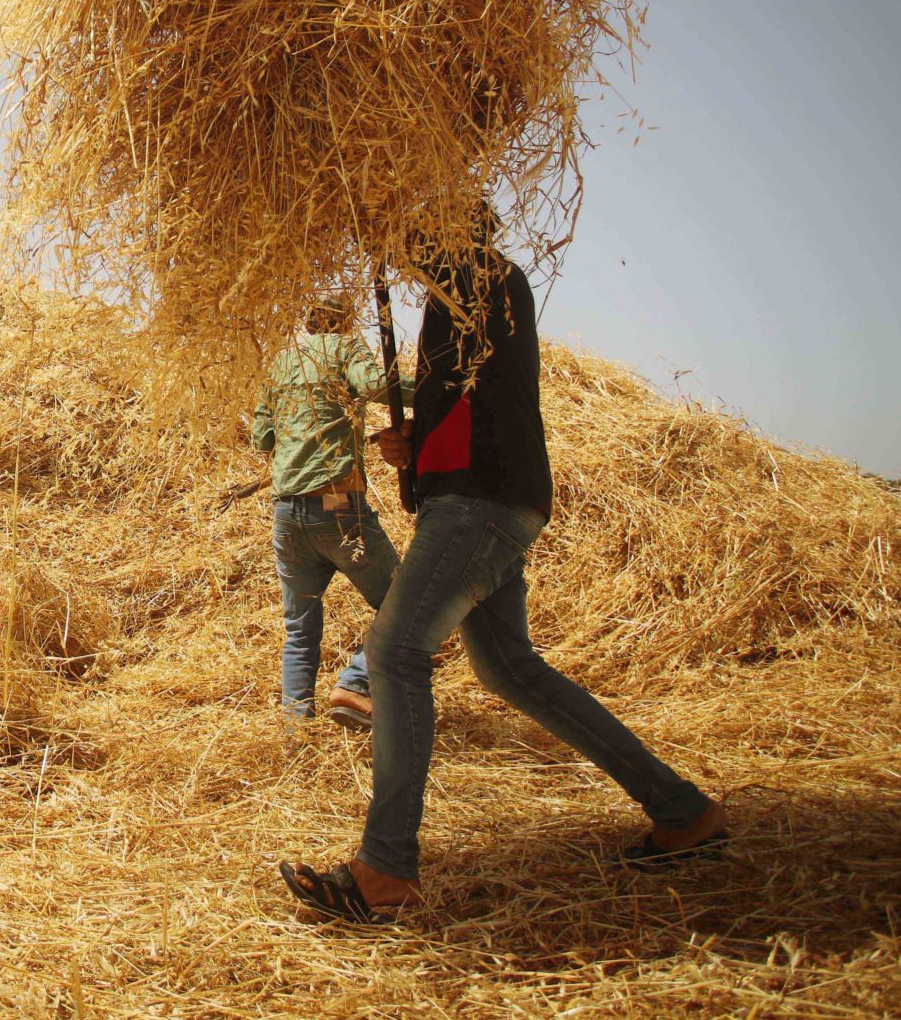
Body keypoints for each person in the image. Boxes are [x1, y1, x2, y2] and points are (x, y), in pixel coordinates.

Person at [278, 229, 726, 922]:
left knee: (395, 652)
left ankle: (386, 867)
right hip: (474, 494)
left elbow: (421, 247)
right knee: (511, 669)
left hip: (479, 502)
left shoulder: (484, 278)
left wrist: (376, 209)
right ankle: (680, 809)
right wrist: (413, 444)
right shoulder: (453, 308)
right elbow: (465, 405)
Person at [250, 298, 411, 727]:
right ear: (346, 321)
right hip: (337, 507)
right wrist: (442, 387)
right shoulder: (344, 349)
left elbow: (262, 436)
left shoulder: (282, 362)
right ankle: (356, 685)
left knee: (300, 631)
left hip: (286, 514)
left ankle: (295, 735)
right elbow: (379, 386)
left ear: (307, 321)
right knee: (406, 602)